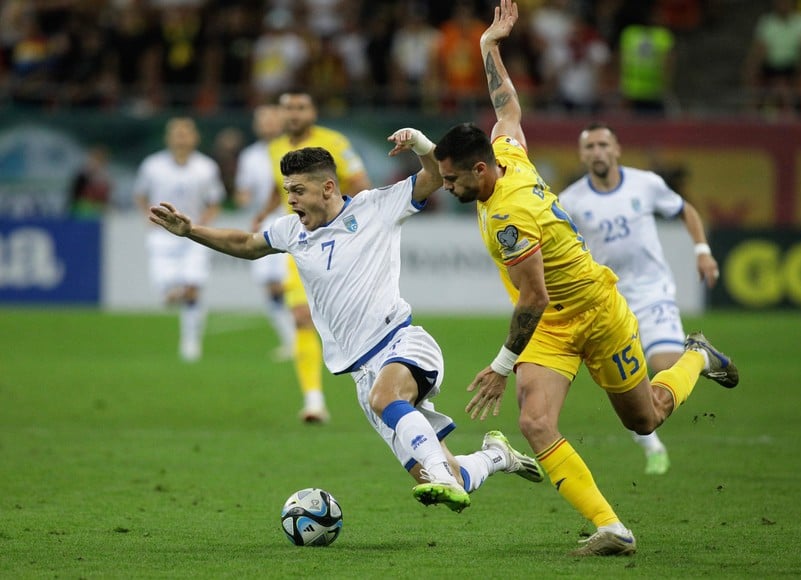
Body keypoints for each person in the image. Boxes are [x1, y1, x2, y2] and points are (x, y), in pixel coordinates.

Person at [432, 0, 738, 557]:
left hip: (596, 312)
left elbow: (533, 295)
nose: (444, 188)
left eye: (450, 179)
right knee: (535, 421)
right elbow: (507, 110)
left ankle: (697, 356)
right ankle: (612, 527)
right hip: (552, 328)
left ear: (480, 172)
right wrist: (489, 47)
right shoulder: (507, 157)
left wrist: (502, 367)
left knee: (647, 419)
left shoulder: (508, 216)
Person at [147, 128, 544, 514]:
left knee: (390, 401)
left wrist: (422, 144)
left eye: (297, 191)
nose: (291, 201)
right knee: (446, 477)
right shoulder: (291, 231)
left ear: (328, 188)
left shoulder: (376, 207)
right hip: (360, 373)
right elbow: (247, 244)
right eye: (287, 191)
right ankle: (495, 456)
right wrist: (191, 231)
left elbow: (437, 176)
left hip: (401, 344)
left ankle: (441, 472)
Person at [558, 122, 722, 476]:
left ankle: (698, 357)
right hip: (608, 300)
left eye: (604, 145)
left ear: (616, 148)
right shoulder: (570, 201)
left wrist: (702, 250)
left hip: (652, 291)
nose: (598, 152)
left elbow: (686, 211)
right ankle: (650, 442)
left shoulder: (645, 184)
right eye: (590, 147)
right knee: (626, 382)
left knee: (665, 366)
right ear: (582, 155)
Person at [254, 90, 372, 424]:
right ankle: (314, 400)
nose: (293, 113)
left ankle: (376, 386)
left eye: (301, 107)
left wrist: (358, 228)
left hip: (340, 242)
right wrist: (262, 212)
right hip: (301, 241)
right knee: (301, 316)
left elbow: (362, 185)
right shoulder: (275, 148)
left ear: (313, 110)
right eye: (288, 108)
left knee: (350, 320)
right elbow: (279, 190)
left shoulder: (335, 142)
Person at [134, 117, 225, 362]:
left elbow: (215, 201)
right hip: (161, 236)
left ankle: (191, 342)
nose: (181, 138)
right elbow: (140, 195)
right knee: (169, 292)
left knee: (193, 287)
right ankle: (171, 293)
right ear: (168, 138)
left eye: (186, 133)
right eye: (177, 133)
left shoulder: (206, 167)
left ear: (195, 138)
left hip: (193, 235)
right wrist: (146, 214)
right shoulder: (152, 166)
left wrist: (200, 225)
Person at [234, 105, 296, 361]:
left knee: (290, 283)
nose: (268, 124)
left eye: (272, 119)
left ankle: (307, 337)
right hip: (264, 222)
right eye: (263, 120)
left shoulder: (291, 149)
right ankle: (291, 341)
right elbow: (242, 191)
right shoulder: (249, 156)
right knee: (270, 285)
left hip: (293, 220)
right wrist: (242, 197)